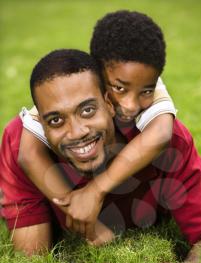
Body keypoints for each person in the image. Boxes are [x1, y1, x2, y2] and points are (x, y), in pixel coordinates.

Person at [0, 48, 201, 263]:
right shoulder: (22, 145)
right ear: (41, 124)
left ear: (109, 103)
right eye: (56, 120)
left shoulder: (168, 142)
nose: (77, 132)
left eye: (88, 110)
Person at [18, 10, 176, 242]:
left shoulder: (141, 77)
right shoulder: (72, 91)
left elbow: (161, 133)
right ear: (100, 75)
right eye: (119, 88)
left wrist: (96, 190)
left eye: (145, 91)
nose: (131, 106)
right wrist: (80, 210)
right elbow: (29, 154)